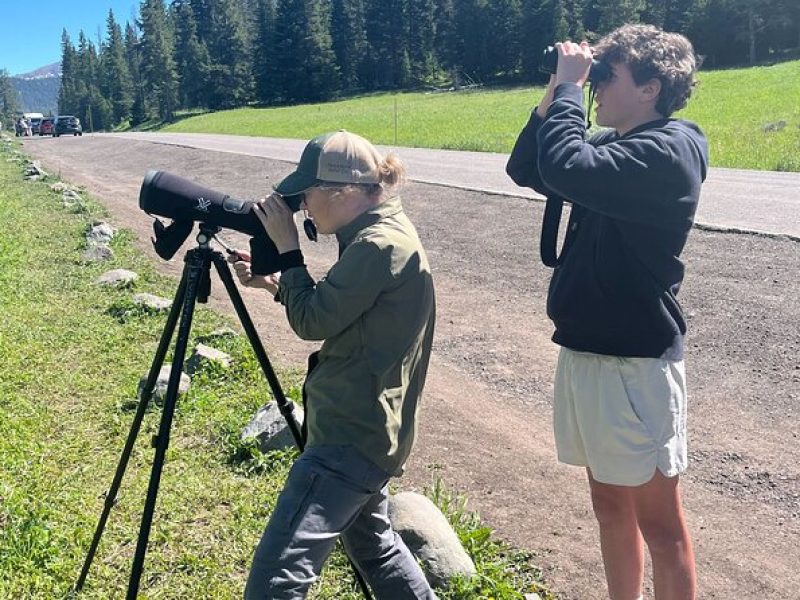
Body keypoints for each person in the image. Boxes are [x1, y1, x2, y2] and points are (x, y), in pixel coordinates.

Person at [506, 24, 708, 600]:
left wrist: (571, 89)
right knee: (608, 505)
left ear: (650, 88)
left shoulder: (671, 150)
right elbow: (529, 167)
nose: (595, 89)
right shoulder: (617, 146)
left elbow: (566, 167)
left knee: (661, 527)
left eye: (607, 76)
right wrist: (557, 87)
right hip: (587, 351)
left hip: (635, 363)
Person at [230, 130, 437, 599]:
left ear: (342, 191)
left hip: (348, 433)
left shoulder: (376, 246)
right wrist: (275, 283)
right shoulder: (381, 232)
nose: (301, 204)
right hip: (369, 429)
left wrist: (288, 251)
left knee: (276, 579)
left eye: (306, 193)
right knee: (376, 549)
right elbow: (346, 309)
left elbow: (313, 320)